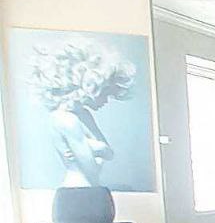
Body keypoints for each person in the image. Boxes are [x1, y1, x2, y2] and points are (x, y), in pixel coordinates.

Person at [27, 40, 136, 187]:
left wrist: (95, 147)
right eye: (106, 93)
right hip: (77, 191)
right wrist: (99, 148)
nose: (106, 101)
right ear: (91, 86)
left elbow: (109, 154)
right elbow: (91, 168)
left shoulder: (83, 115)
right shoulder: (65, 119)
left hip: (89, 188)